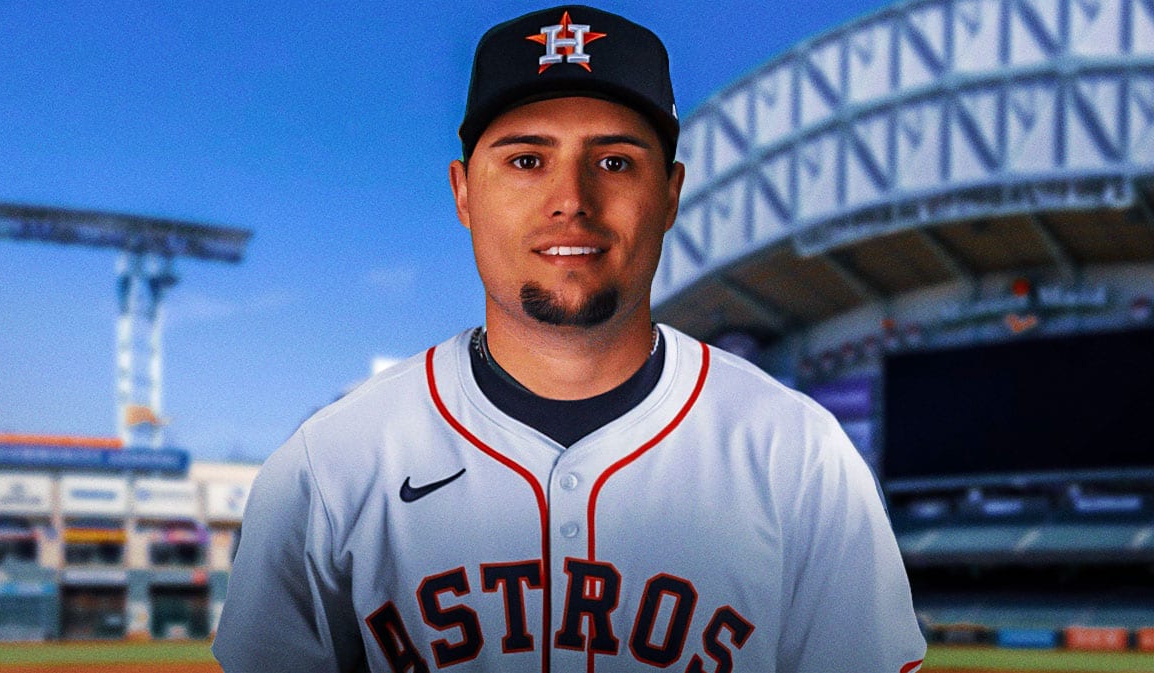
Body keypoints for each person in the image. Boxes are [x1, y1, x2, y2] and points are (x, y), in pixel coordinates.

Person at [212, 5, 927, 672]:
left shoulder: (798, 458)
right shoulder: (330, 467)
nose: (571, 200)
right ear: (464, 191)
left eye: (615, 161)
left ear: (672, 193)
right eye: (526, 160)